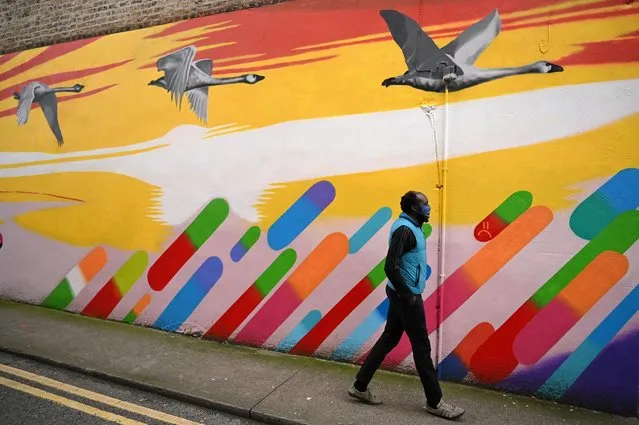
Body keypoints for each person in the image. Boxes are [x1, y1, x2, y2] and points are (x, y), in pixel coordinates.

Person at [348, 190, 465, 420]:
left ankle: (359, 387)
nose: (429, 208)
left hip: (399, 294)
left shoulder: (412, 227)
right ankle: (435, 402)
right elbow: (391, 266)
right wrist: (409, 296)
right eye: (425, 204)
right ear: (414, 208)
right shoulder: (405, 230)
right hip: (406, 297)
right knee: (422, 348)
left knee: (389, 337)